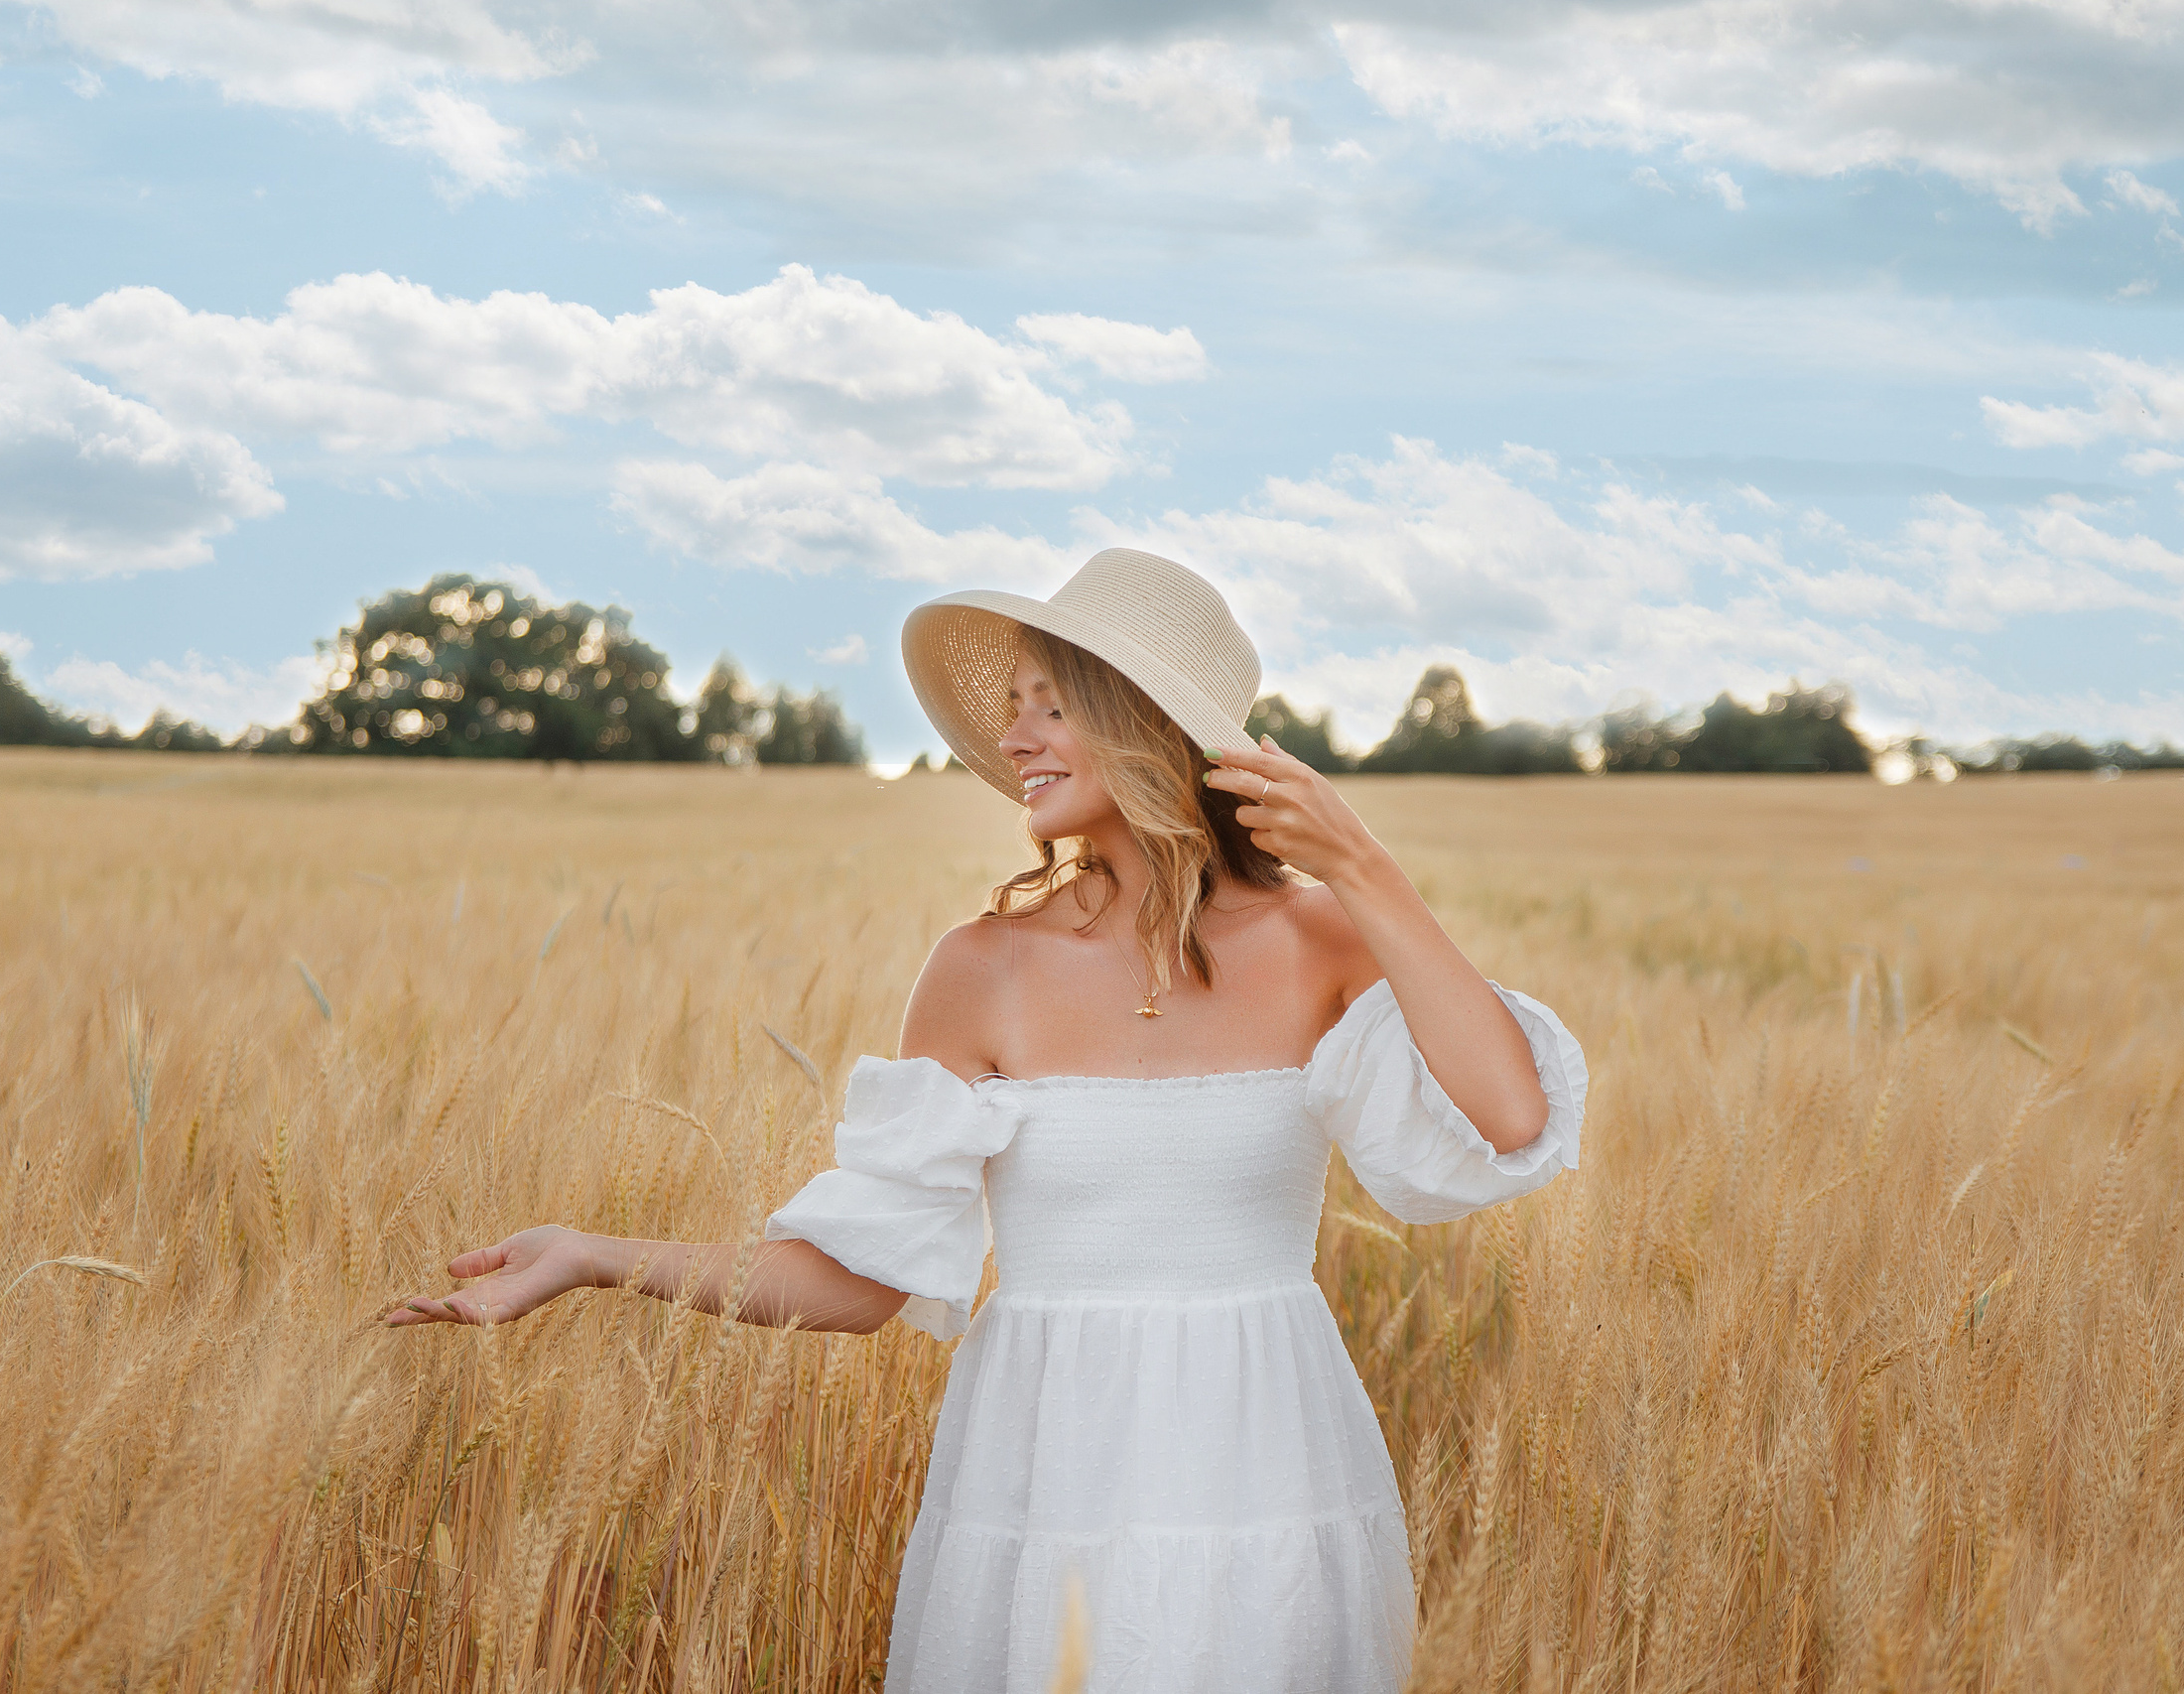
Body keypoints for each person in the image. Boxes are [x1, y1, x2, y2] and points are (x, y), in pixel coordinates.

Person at [387, 548, 1587, 1693]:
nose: (1013, 739)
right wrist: (596, 1257)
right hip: (1044, 1455)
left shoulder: (1322, 939)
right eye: (1012, 707)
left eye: (1050, 706)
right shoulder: (981, 969)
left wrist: (1365, 871)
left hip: (1262, 1443)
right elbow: (863, 1284)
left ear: (1152, 728)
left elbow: (1506, 1113)